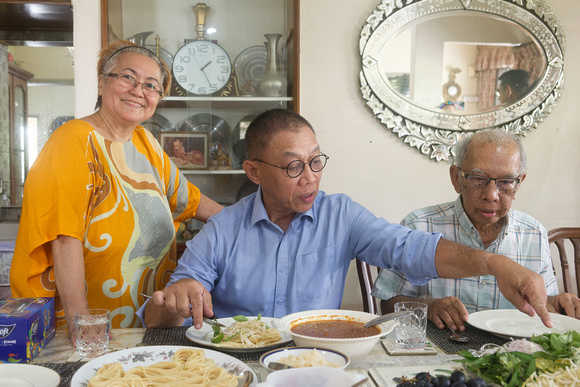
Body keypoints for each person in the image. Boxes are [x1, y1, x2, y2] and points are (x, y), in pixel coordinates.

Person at [139, 109, 553, 330]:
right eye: (293, 167)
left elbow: (410, 248)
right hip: (240, 366)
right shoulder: (224, 228)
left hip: (319, 363)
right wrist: (178, 300)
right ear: (254, 172)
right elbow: (159, 317)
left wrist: (494, 264)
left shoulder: (341, 214)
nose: (311, 177)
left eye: (316, 161)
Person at [10, 41, 223, 343]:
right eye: (127, 77)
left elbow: (192, 200)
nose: (139, 90)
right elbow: (63, 236)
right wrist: (81, 323)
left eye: (151, 85)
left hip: (148, 320)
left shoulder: (145, 142)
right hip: (92, 325)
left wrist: (251, 221)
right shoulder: (72, 141)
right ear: (101, 82)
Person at [372, 130, 580, 332]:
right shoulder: (419, 225)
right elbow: (389, 304)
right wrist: (429, 307)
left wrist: (558, 303)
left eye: (506, 182)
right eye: (478, 179)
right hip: (439, 354)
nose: (491, 195)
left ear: (519, 183)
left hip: (510, 357)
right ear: (456, 178)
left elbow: (545, 304)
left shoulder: (534, 233)